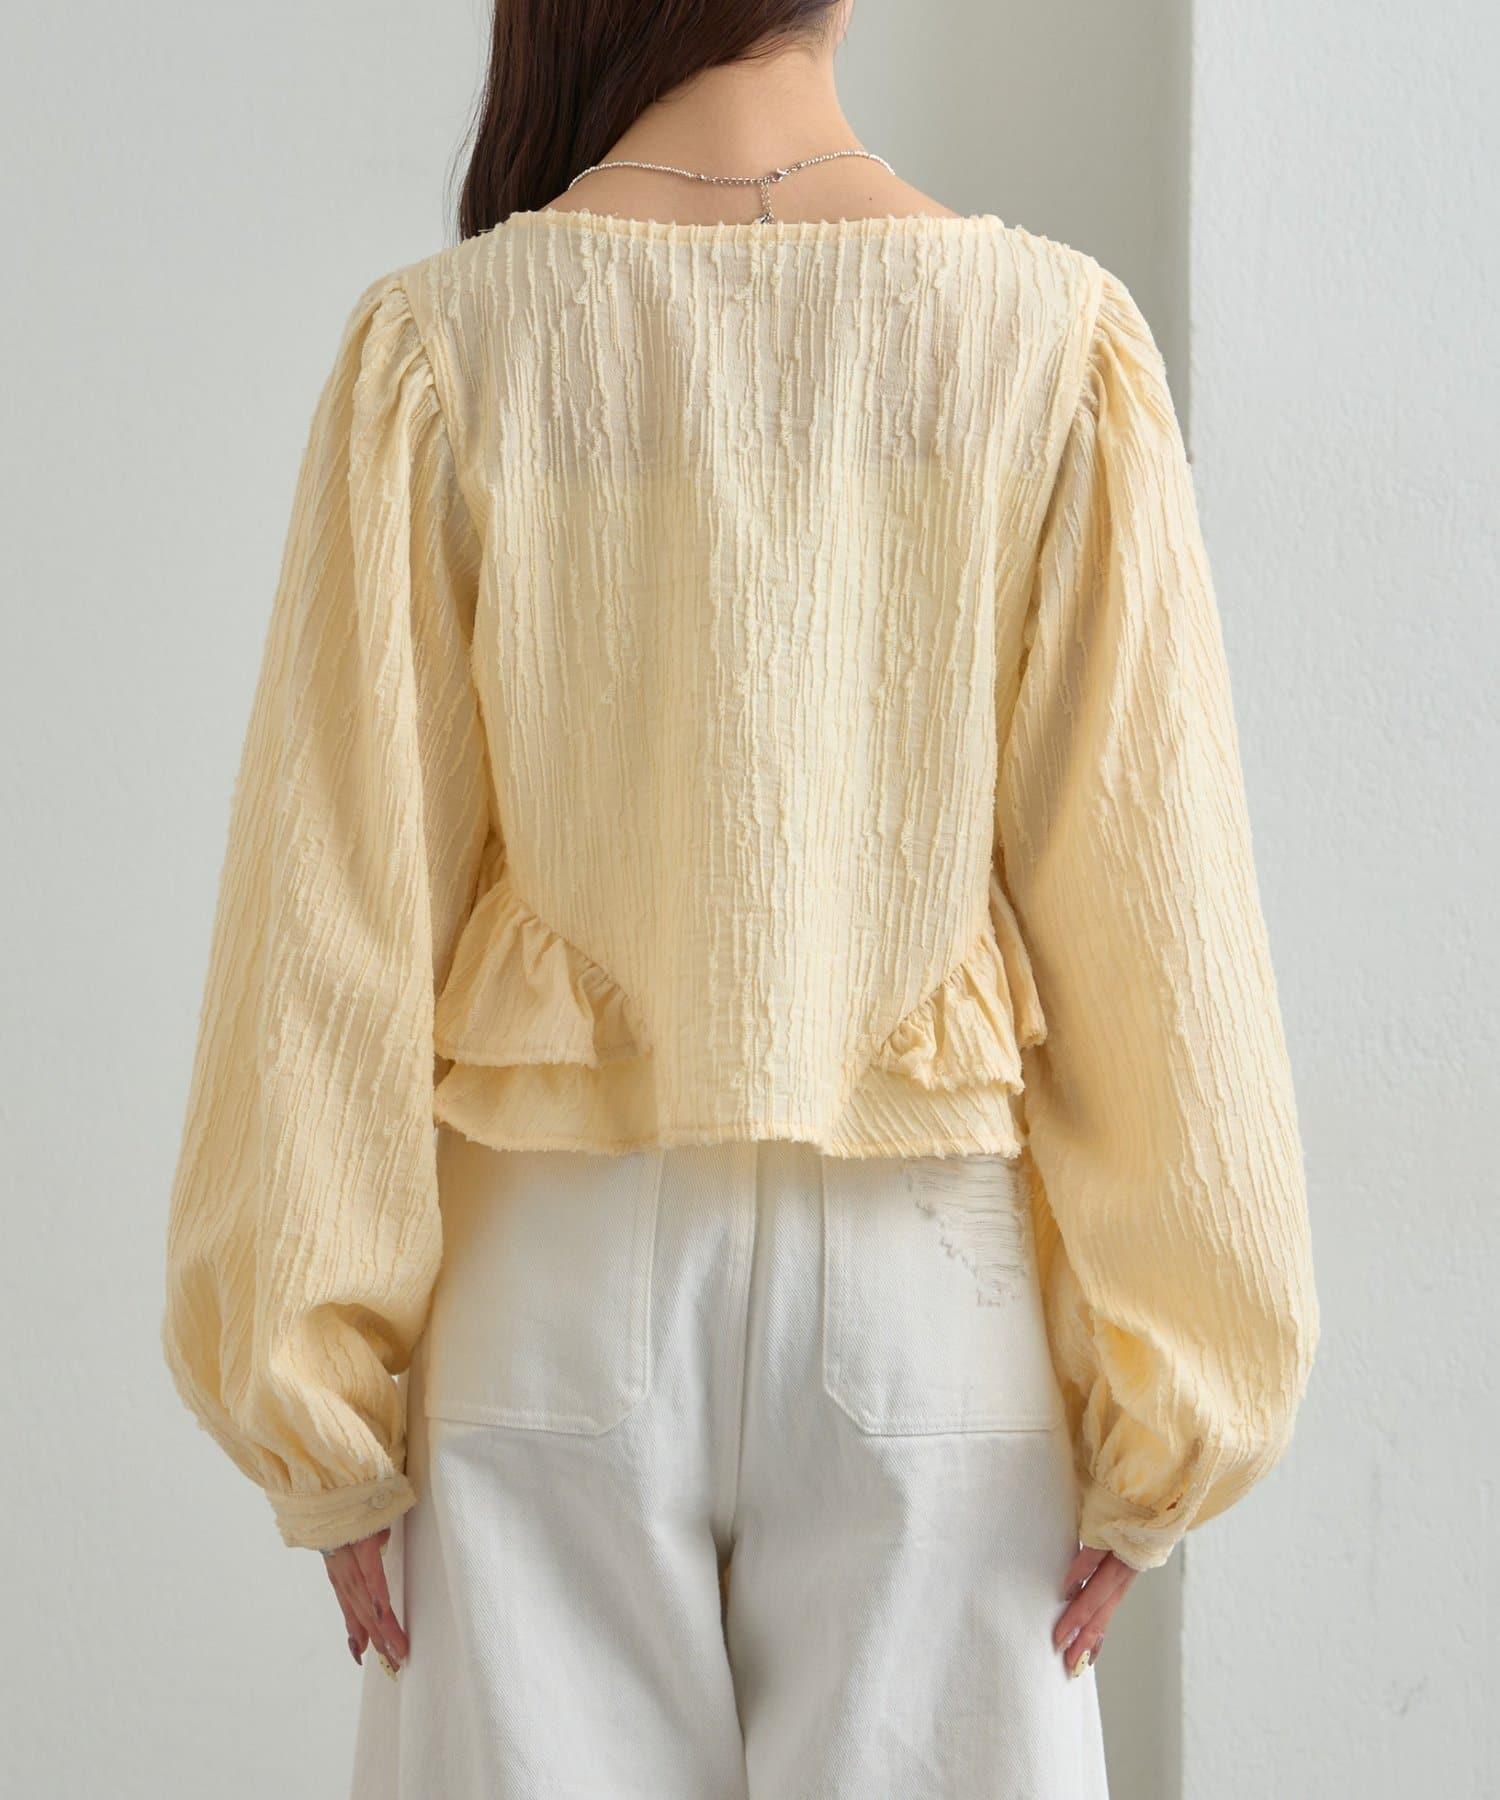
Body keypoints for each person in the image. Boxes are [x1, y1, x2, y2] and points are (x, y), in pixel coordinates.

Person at [160, 1, 1319, 1793]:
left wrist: (310, 1390)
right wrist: (1185, 1397)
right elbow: (1153, 903)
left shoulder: (449, 347)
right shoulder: (1048, 342)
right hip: (926, 1290)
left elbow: (334, 906)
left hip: (548, 1275)